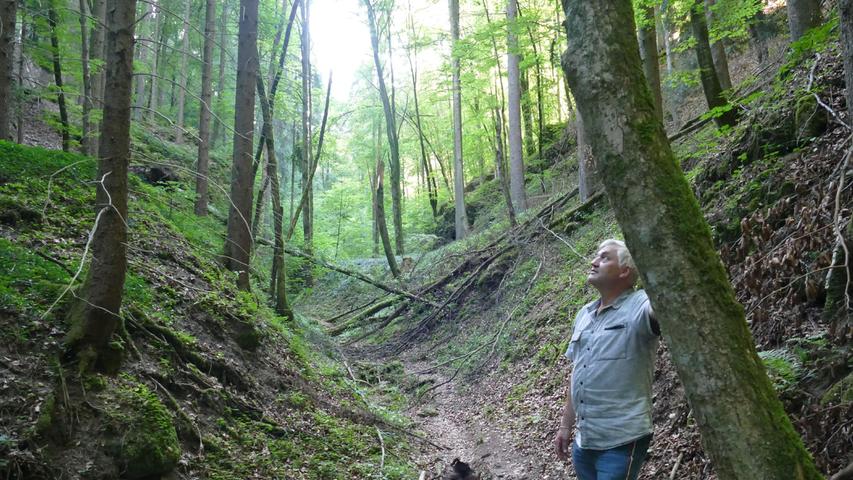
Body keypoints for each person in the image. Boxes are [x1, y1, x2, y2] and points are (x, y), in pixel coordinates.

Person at [553, 239, 660, 480]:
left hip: (622, 439)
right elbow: (578, 372)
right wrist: (565, 425)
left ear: (625, 271)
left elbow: (661, 309)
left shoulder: (639, 305)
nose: (594, 262)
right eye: (596, 256)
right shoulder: (584, 314)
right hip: (584, 441)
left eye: (604, 257)